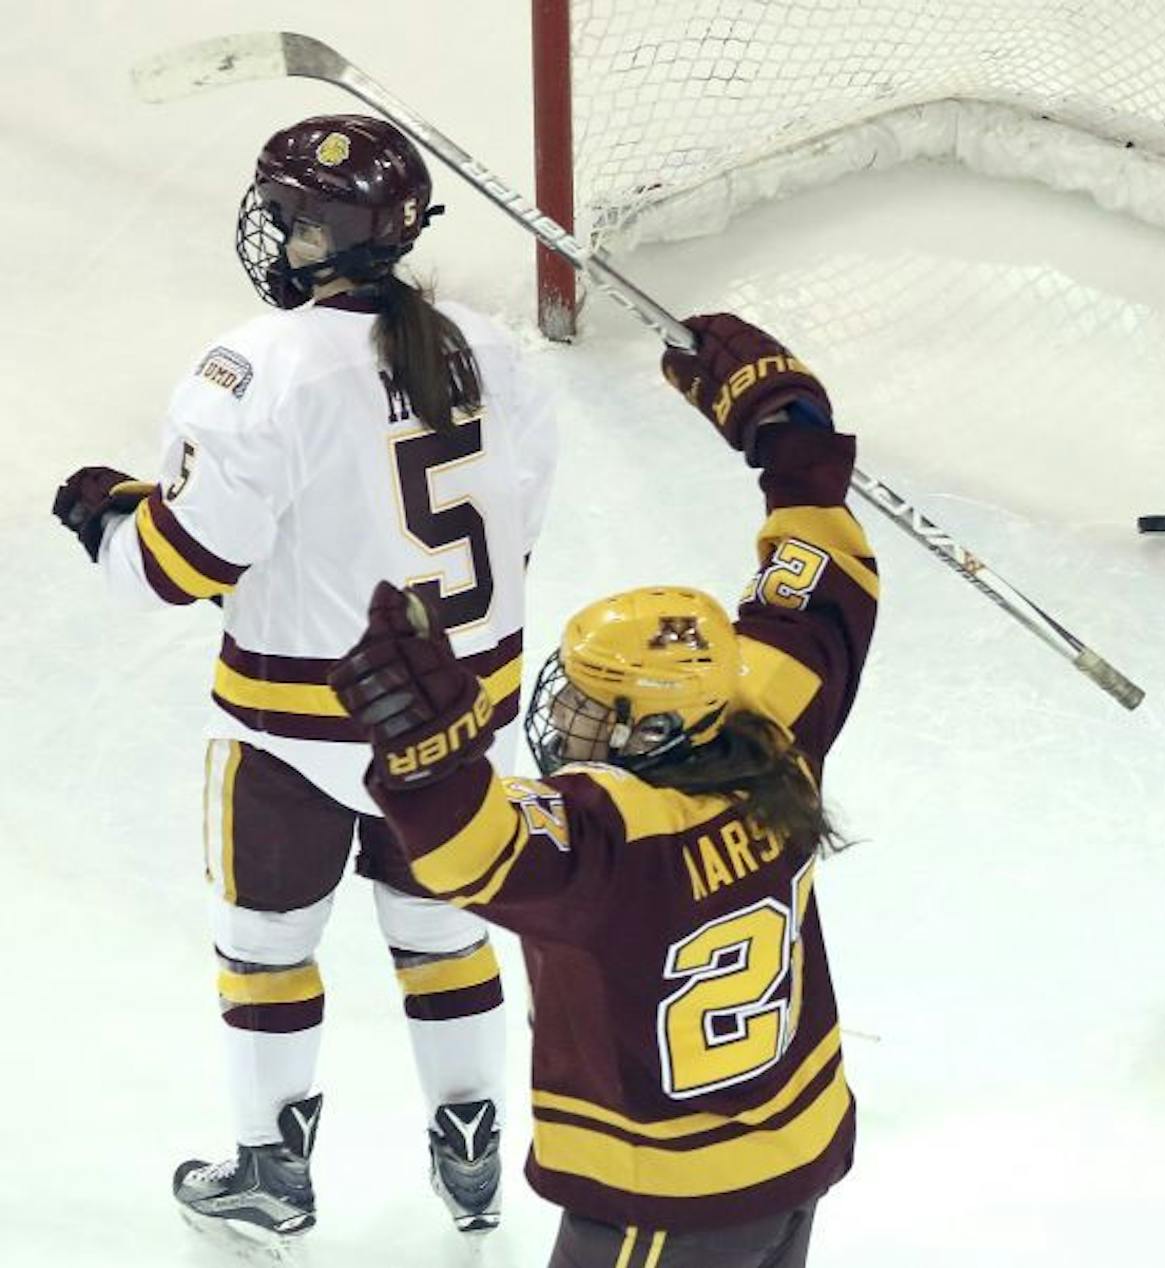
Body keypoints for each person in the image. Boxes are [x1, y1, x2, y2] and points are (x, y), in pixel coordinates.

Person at [50, 115, 557, 1243]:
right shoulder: (492, 347)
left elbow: (181, 567)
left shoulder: (256, 364)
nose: (273, 232)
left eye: (285, 215)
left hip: (297, 730)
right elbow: (516, 527)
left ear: (321, 232)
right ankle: (473, 1162)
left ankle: (271, 1175)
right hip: (457, 722)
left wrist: (111, 522)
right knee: (444, 935)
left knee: (266, 951)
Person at [328, 312, 875, 1268]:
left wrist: (429, 761)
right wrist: (792, 434)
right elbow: (826, 577)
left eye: (590, 704)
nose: (566, 715)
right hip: (799, 1161)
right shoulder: (773, 720)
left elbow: (474, 852)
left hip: (668, 1202)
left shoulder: (614, 835)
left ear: (652, 729)